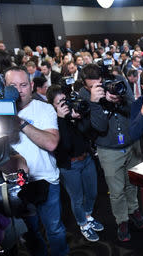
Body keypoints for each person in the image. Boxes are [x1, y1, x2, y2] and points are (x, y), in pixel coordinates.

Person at [5, 66, 78, 256]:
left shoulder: (44, 109)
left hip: (46, 179)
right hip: (16, 184)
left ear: (31, 86)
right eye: (12, 86)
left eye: (23, 85)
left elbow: (51, 143)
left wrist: (21, 123)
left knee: (54, 226)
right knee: (29, 231)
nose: (18, 91)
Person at [79, 64, 143, 242]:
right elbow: (99, 126)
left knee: (132, 183)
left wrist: (120, 100)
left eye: (100, 83)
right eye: (93, 86)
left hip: (132, 143)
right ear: (86, 86)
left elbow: (134, 109)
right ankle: (122, 220)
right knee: (116, 191)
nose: (99, 87)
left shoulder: (119, 82)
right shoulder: (84, 95)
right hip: (109, 150)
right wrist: (96, 103)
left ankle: (134, 210)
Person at [47, 85, 103, 242]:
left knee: (92, 192)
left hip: (86, 159)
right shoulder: (53, 122)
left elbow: (88, 132)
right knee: (77, 198)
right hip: (70, 166)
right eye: (60, 103)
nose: (65, 105)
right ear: (52, 106)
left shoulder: (74, 112)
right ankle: (83, 223)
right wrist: (62, 119)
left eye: (65, 100)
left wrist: (79, 117)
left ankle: (88, 215)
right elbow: (66, 145)